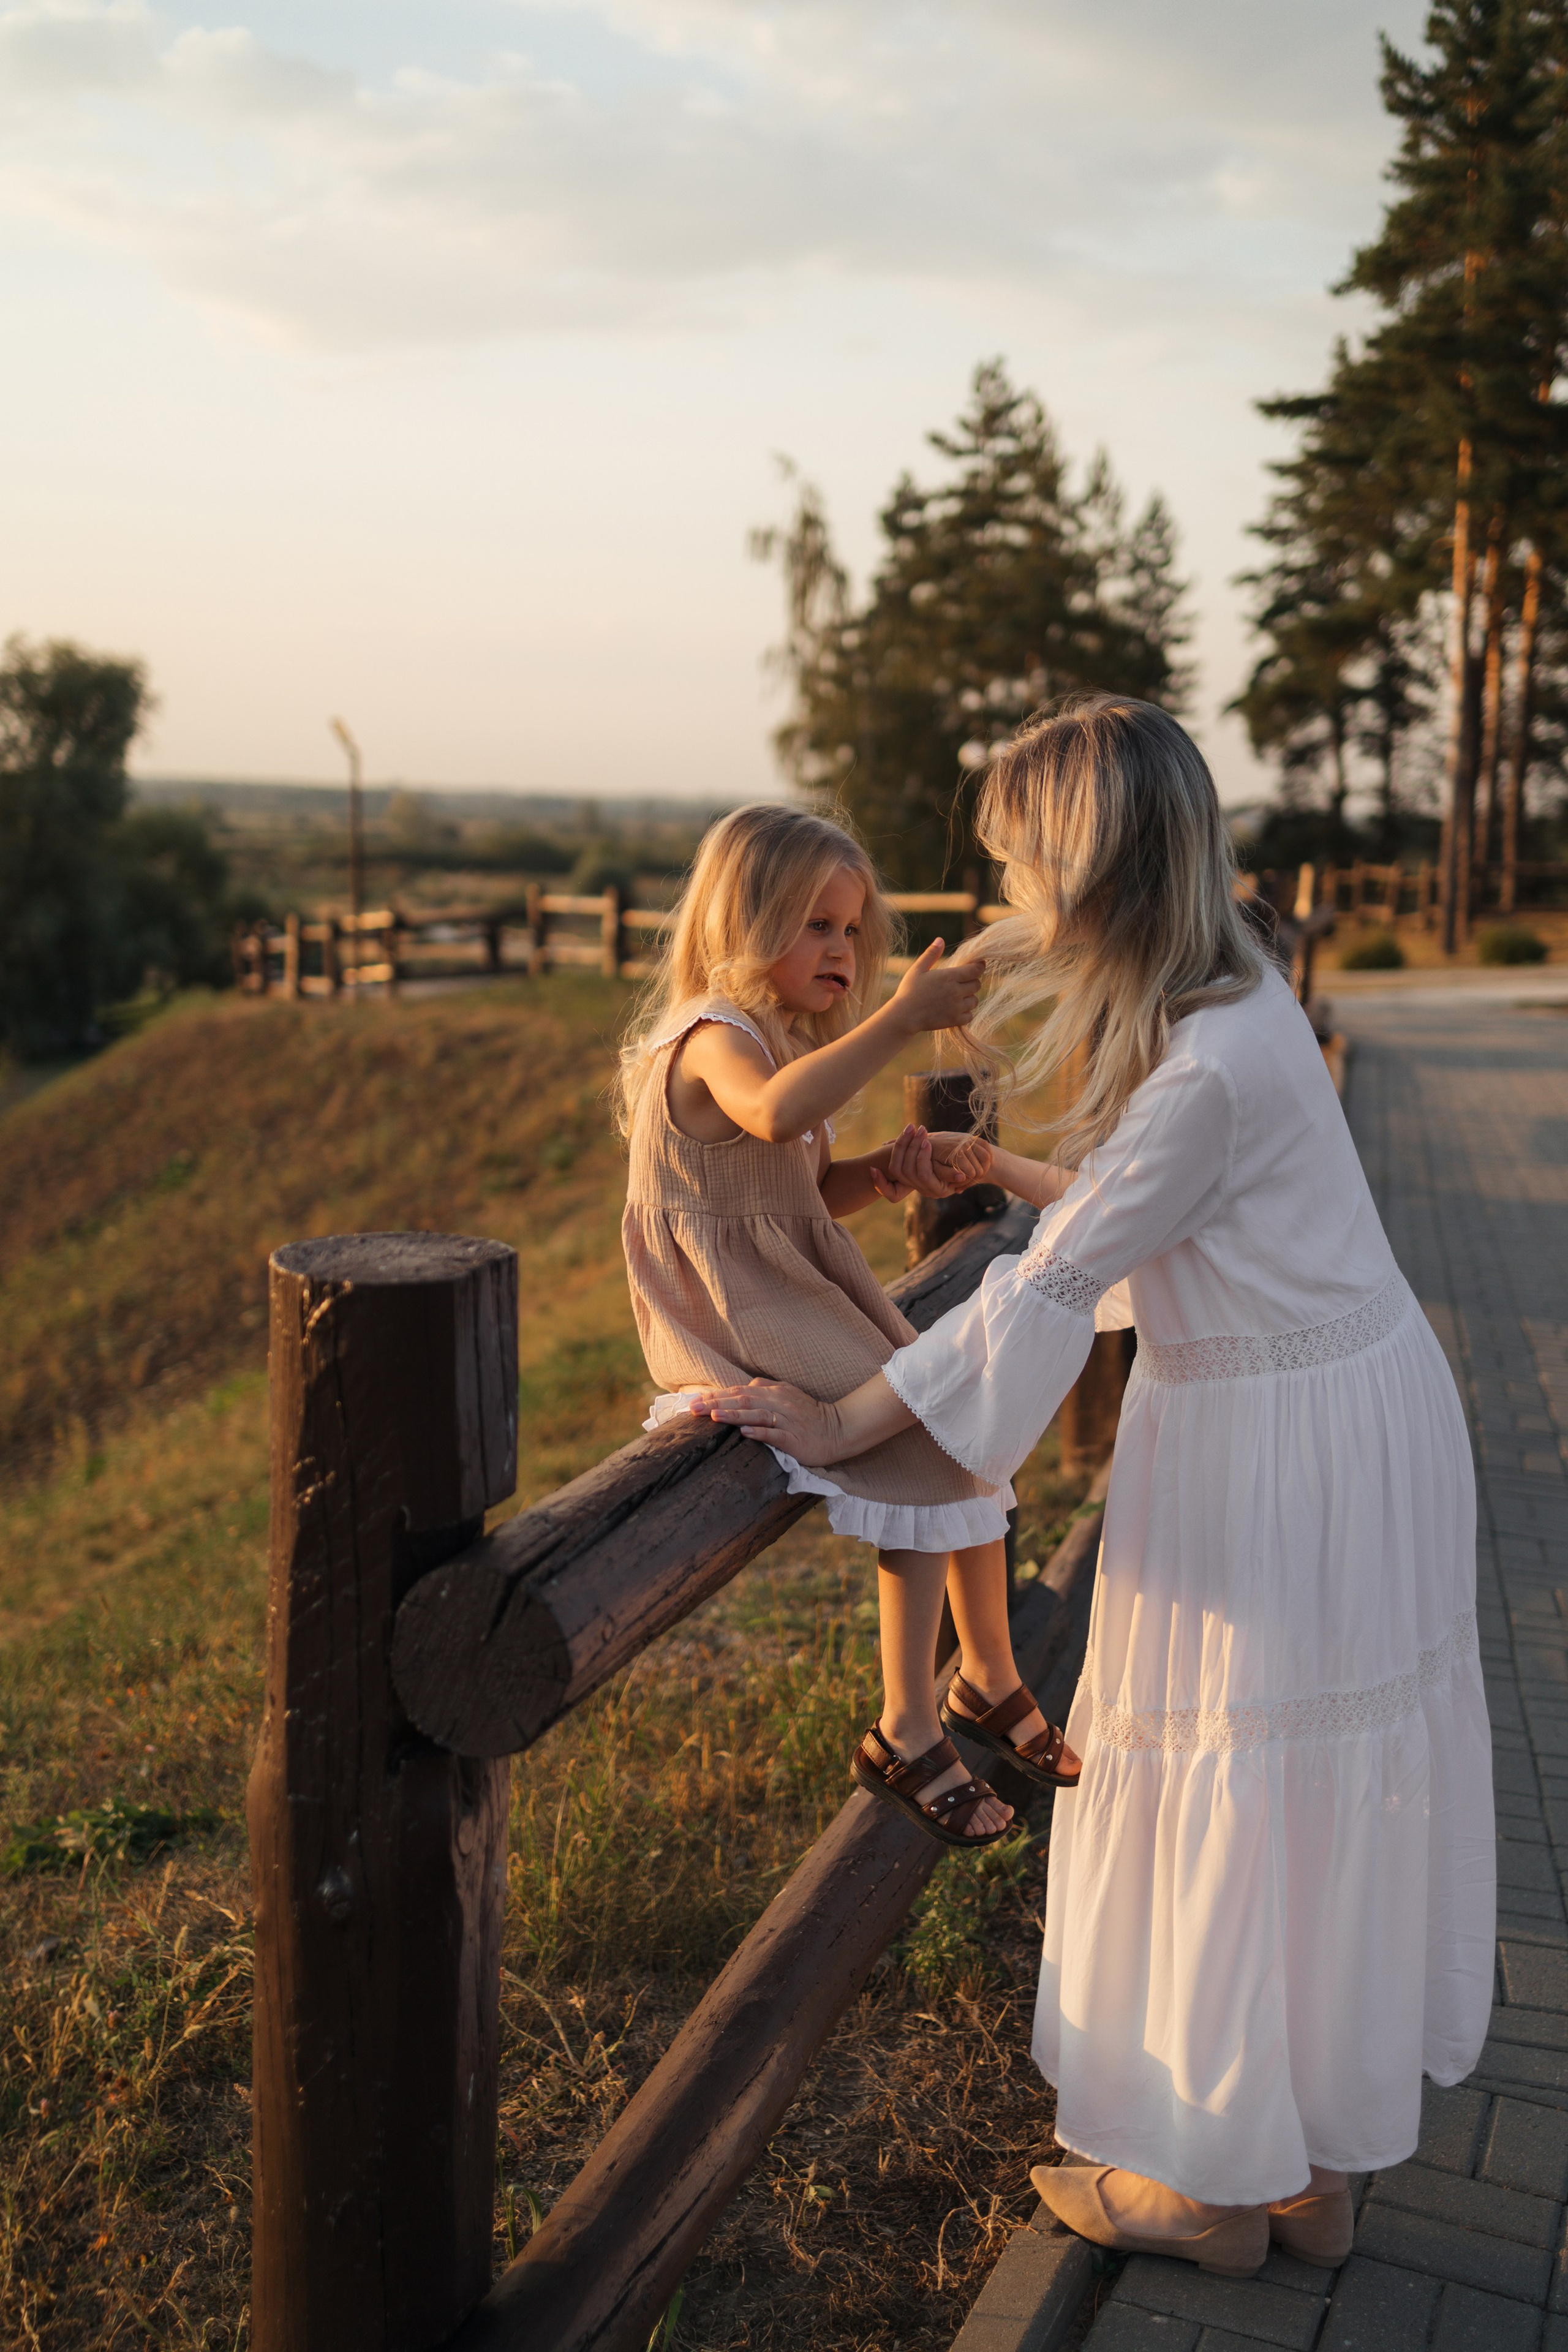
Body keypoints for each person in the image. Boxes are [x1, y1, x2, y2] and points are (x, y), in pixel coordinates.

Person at [692, 698, 1494, 2279]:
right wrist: (1008, 1153)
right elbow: (1179, 1215)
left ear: (1099, 874)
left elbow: (1059, 1287)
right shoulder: (1243, 986)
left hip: (1280, 1450)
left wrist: (839, 1418)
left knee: (1227, 1784)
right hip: (1355, 1418)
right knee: (1298, 1796)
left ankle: (1199, 2189)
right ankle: (1307, 2174)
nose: (1010, 900)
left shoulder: (1201, 1070)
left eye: (1025, 869)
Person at [618, 802, 1084, 1850]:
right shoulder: (711, 1039)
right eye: (814, 925)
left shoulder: (777, 1040)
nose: (840, 949)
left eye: (851, 928)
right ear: (744, 923)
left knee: (952, 1407)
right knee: (916, 1434)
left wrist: (877, 1175)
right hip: (732, 1306)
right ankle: (910, 1723)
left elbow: (793, 1189)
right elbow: (775, 1118)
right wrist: (900, 1023)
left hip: (791, 1279)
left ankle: (987, 1675)